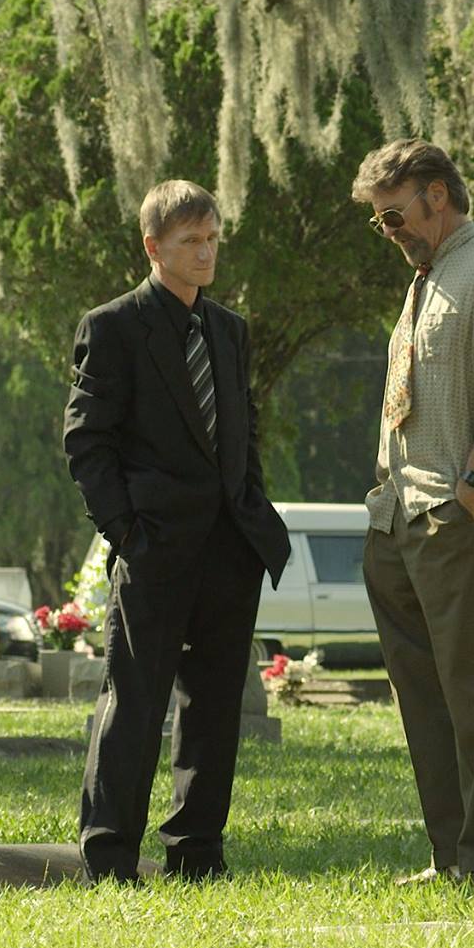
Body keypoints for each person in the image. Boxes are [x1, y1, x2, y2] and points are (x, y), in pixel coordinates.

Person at [62, 179, 290, 884]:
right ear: (152, 246)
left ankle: (197, 852)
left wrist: (250, 506)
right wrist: (126, 532)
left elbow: (243, 430)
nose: (206, 252)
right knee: (134, 702)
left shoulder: (229, 330)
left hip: (229, 547)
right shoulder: (112, 327)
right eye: (191, 240)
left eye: (213, 238)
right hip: (154, 546)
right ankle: (110, 855)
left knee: (216, 707)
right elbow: (86, 441)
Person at [353, 139, 474, 891]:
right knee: (422, 702)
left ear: (436, 194)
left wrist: (470, 492)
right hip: (394, 517)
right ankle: (451, 856)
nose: (388, 231)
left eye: (394, 215)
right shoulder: (424, 282)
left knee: (473, 696)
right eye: (378, 222)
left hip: (451, 518)